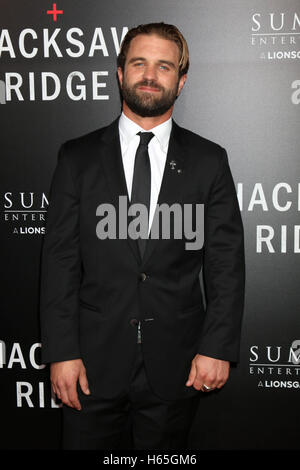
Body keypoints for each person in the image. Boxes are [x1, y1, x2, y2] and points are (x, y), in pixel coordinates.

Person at [39, 22, 245, 450]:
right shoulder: (76, 158)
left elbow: (225, 262)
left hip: (178, 363)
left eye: (164, 66)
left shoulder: (210, 160)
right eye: (139, 63)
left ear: (181, 81)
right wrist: (61, 352)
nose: (150, 75)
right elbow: (59, 262)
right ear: (119, 72)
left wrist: (218, 347)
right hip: (90, 365)